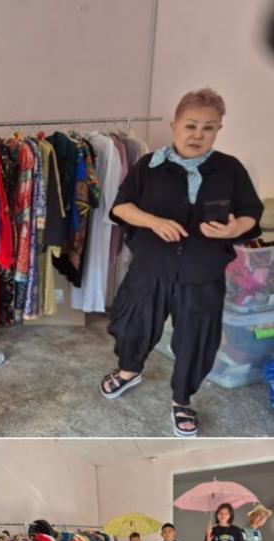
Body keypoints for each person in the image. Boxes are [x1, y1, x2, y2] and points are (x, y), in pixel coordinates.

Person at [100, 88, 264, 437]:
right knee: (131, 327)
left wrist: (234, 228)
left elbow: (251, 212)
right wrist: (153, 221)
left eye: (208, 128)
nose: (197, 135)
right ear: (174, 125)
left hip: (201, 273)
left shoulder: (230, 169)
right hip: (150, 267)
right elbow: (121, 207)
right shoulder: (149, 166)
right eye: (190, 125)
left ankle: (182, 399)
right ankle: (129, 370)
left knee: (195, 340)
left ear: (218, 130)